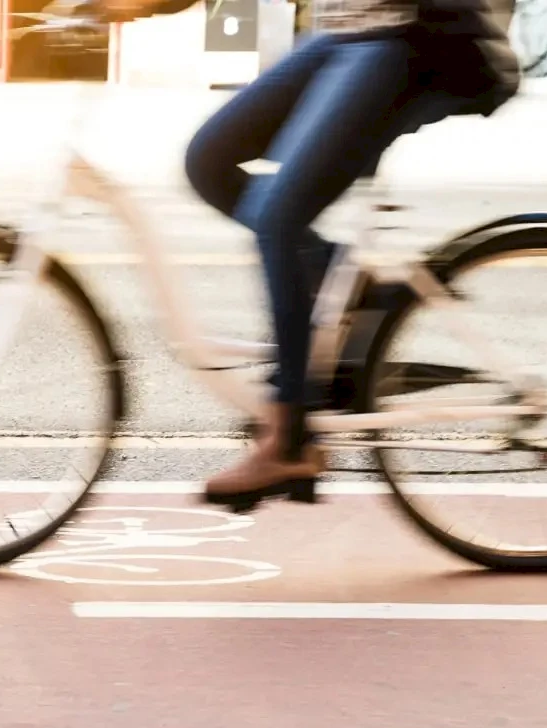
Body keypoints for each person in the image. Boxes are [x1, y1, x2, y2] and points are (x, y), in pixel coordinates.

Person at [101, 0, 521, 510]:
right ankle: (349, 287)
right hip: (345, 35)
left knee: (277, 217)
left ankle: (290, 435)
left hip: (409, 40)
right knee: (209, 160)